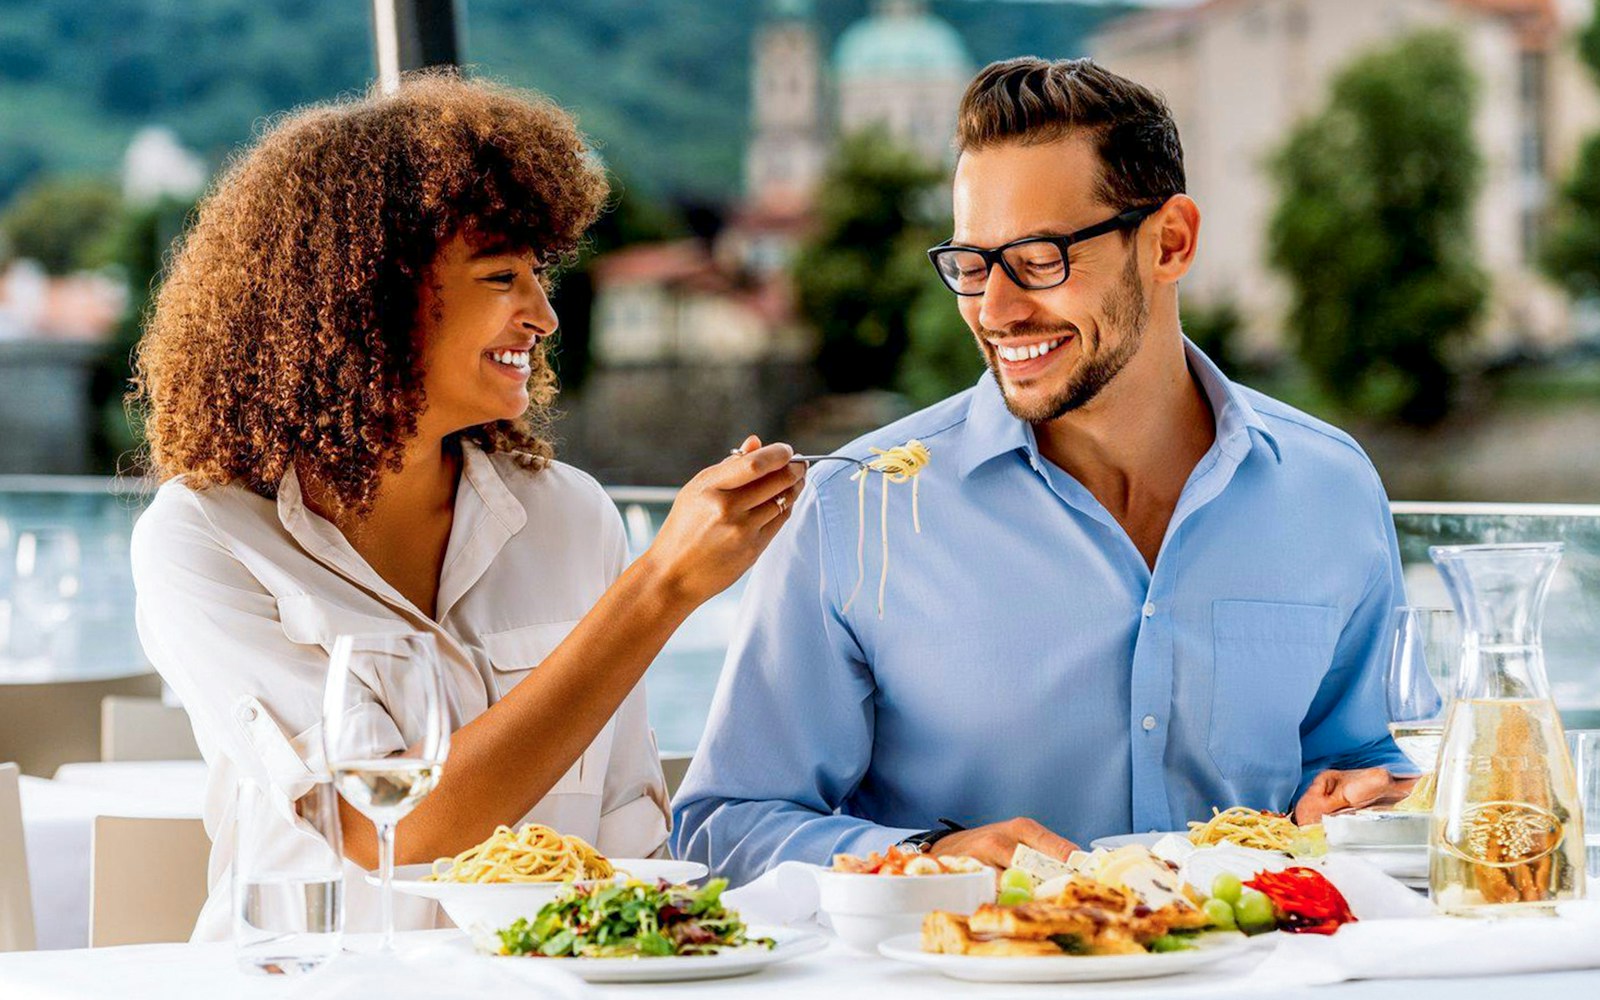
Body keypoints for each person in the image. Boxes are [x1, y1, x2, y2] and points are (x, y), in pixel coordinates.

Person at [673, 57, 1418, 884]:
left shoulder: (1331, 489)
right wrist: (928, 858)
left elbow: (1368, 768)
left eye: (1038, 257)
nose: (993, 310)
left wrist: (1362, 805)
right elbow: (724, 828)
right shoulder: (858, 507)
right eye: (970, 262)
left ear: (1170, 242)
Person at [129, 73, 804, 938]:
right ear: (367, 296)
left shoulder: (572, 517)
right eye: (500, 278)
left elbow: (630, 830)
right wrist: (661, 587)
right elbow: (393, 829)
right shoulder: (206, 539)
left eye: (538, 274)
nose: (544, 315)